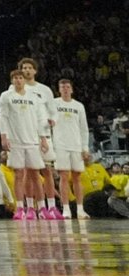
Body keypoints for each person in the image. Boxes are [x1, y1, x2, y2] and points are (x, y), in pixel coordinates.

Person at [0, 67, 52, 220]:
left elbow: (40, 118)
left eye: (20, 78)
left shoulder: (33, 97)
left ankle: (41, 208)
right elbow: (3, 117)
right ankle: (21, 208)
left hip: (32, 140)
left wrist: (43, 138)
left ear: (24, 80)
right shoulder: (6, 96)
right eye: (15, 78)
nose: (18, 80)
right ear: (12, 80)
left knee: (35, 174)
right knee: (19, 174)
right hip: (15, 141)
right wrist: (4, 137)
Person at [49, 75, 92, 221]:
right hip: (60, 145)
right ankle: (66, 209)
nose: (65, 89)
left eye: (68, 87)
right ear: (59, 90)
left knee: (77, 177)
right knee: (63, 176)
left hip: (76, 145)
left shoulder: (79, 106)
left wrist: (85, 148)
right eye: (62, 87)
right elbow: (47, 123)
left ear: (72, 89)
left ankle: (80, 209)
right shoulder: (53, 104)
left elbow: (84, 128)